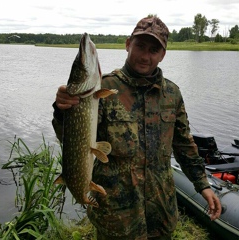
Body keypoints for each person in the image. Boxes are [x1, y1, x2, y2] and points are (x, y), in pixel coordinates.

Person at [52, 16, 221, 240]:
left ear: (163, 55)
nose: (145, 56)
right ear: (128, 44)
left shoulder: (172, 93)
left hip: (160, 212)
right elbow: (71, 138)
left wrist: (203, 184)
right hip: (115, 215)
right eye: (140, 46)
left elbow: (183, 144)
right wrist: (63, 109)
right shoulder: (101, 89)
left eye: (153, 50)